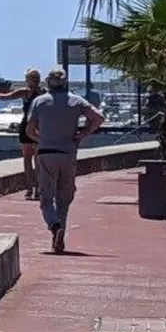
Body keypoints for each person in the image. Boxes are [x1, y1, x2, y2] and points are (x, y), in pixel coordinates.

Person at [26, 67, 104, 254]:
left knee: (46, 198)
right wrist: (81, 135)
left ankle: (54, 226)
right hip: (68, 152)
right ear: (65, 82)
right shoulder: (76, 101)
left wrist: (42, 139)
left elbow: (29, 130)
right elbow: (99, 118)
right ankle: (60, 233)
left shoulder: (39, 101)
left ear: (48, 81)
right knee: (64, 198)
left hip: (46, 152)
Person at [0, 69, 43, 199]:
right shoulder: (33, 92)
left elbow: (6, 97)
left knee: (33, 160)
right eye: (31, 77)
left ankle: (34, 188)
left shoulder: (35, 93)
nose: (32, 80)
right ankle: (33, 188)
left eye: (34, 78)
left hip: (34, 127)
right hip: (33, 127)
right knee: (32, 159)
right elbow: (6, 97)